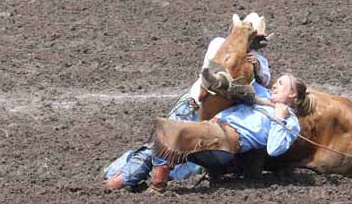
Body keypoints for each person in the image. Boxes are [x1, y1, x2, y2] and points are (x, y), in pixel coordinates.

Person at [104, 12, 272, 192]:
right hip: (194, 107)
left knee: (172, 147)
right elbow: (214, 72)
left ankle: (128, 178)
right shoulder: (219, 44)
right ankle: (124, 179)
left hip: (217, 116)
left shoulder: (258, 61)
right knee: (165, 144)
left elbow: (265, 82)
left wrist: (257, 67)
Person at [154, 74, 305, 174]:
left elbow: (274, 149)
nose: (274, 85)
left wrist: (279, 119)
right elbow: (248, 77)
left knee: (170, 132)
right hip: (213, 128)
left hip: (223, 141)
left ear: (292, 94)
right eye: (276, 82)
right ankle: (133, 177)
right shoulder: (263, 95)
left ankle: (157, 184)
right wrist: (256, 66)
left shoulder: (290, 121)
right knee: (158, 142)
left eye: (280, 83)